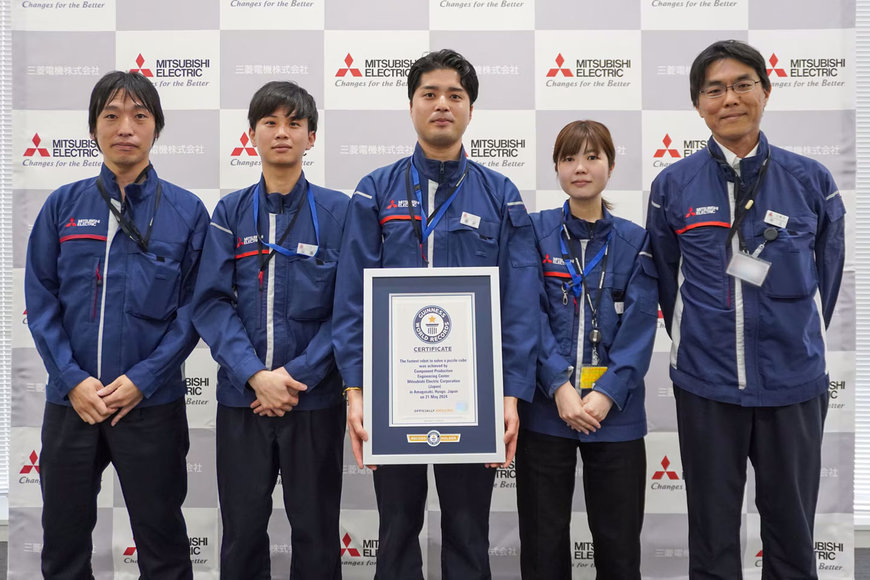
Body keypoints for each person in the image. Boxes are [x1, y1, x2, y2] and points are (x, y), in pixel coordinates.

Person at [333, 49, 540, 579]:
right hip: (393, 396)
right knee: (396, 527)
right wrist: (356, 390)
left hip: (472, 398)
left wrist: (510, 392)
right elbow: (352, 297)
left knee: (469, 530)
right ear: (411, 106)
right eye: (430, 94)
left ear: (471, 109)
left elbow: (518, 301)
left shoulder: (501, 195)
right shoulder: (375, 190)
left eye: (455, 95)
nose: (442, 104)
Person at [646, 39, 845, 579]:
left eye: (742, 85)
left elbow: (827, 278)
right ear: (698, 104)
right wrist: (702, 341)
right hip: (707, 386)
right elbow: (667, 284)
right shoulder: (673, 185)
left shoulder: (811, 181)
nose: (729, 98)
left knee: (791, 531)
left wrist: (794, 342)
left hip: (793, 386)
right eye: (715, 89)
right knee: (711, 536)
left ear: (765, 91)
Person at [25, 71, 208, 579]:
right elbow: (40, 302)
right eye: (111, 115)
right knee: (63, 542)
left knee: (163, 542)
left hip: (150, 405)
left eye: (139, 116)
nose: (125, 127)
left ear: (156, 129)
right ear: (93, 129)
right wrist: (72, 379)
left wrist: (144, 380)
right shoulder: (63, 205)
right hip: (71, 404)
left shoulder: (187, 211)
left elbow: (194, 310)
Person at [192, 81, 347, 579]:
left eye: (295, 124)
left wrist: (294, 376)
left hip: (314, 401)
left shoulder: (339, 212)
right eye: (270, 123)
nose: (283, 133)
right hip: (244, 402)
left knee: (318, 532)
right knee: (240, 533)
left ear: (312, 137)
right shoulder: (230, 213)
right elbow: (212, 305)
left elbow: (349, 309)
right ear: (252, 135)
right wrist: (255, 375)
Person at [516, 120, 657, 580]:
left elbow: (640, 329)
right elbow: (526, 315)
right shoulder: (534, 233)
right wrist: (558, 385)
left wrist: (605, 393)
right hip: (545, 411)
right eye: (569, 158)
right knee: (542, 540)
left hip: (614, 415)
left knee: (617, 545)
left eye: (592, 157)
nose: (581, 168)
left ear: (611, 167)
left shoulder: (635, 241)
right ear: (556, 167)